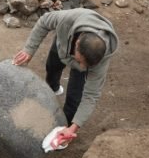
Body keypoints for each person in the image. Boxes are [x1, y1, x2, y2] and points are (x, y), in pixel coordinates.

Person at [13, 8, 118, 146]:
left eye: (85, 65)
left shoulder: (99, 61)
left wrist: (74, 127)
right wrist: (29, 49)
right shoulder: (68, 19)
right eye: (79, 61)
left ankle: (63, 129)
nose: (80, 66)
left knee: (75, 98)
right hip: (62, 45)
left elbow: (91, 96)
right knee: (52, 68)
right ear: (77, 42)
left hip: (79, 56)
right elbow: (44, 21)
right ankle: (53, 89)